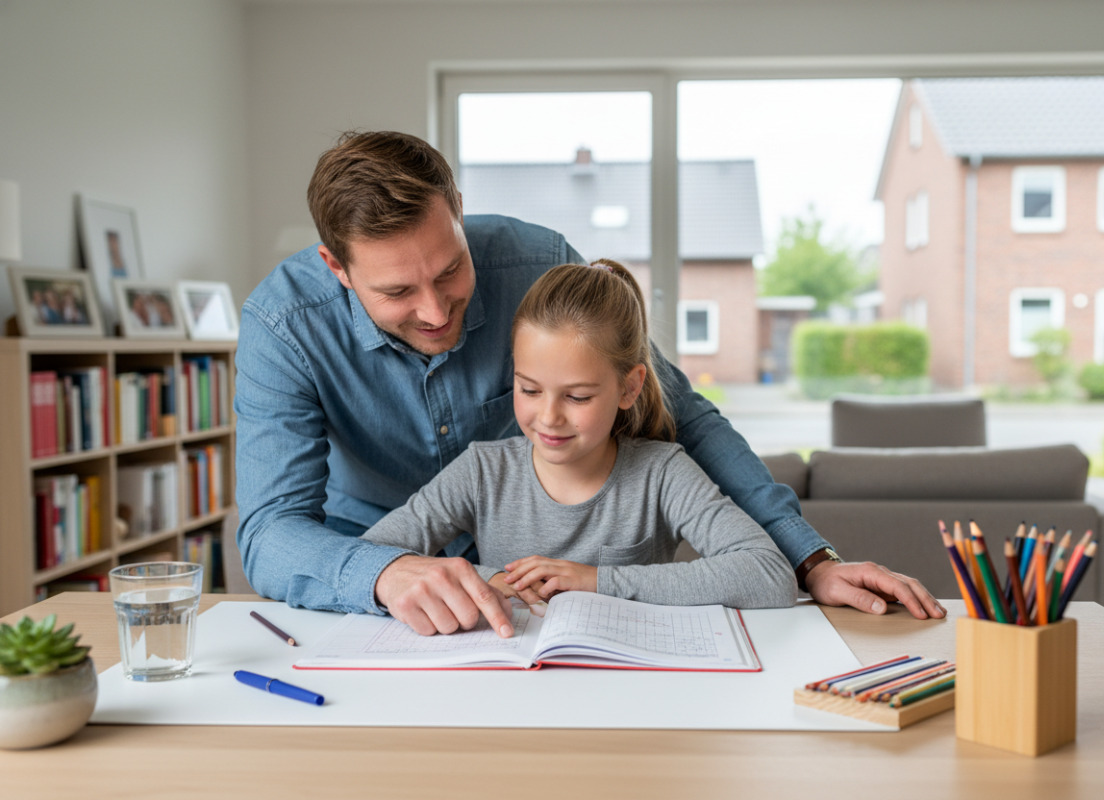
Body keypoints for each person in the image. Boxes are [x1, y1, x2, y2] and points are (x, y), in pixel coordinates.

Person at [235, 130, 942, 640]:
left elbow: (686, 419)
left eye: (450, 270)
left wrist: (809, 558)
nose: (435, 309)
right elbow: (271, 532)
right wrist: (383, 575)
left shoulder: (539, 265)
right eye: (396, 291)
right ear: (336, 266)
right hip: (377, 595)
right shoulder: (284, 323)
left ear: (456, 204)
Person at [361, 260, 799, 627]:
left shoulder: (663, 473)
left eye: (577, 397)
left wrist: (597, 581)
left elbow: (768, 573)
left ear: (629, 388)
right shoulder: (482, 471)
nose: (549, 416)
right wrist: (484, 579)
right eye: (529, 390)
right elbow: (370, 556)